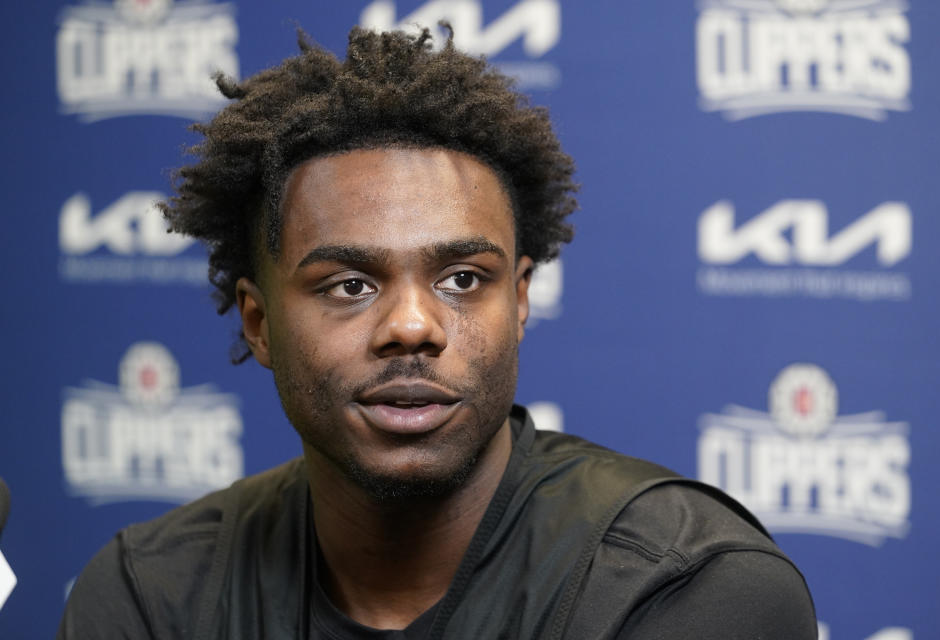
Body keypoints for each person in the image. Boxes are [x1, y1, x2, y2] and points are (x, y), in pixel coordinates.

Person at [59, 26, 817, 639]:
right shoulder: (150, 596)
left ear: (519, 302)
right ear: (258, 322)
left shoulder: (684, 588)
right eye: (349, 285)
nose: (413, 326)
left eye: (462, 279)